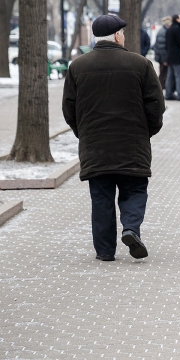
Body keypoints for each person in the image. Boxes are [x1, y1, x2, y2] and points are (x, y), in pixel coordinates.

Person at [61, 15, 165, 261]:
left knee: (101, 198)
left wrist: (83, 133)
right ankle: (130, 228)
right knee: (135, 190)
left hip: (95, 146)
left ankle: (105, 251)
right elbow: (156, 105)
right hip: (133, 144)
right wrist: (147, 131)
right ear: (118, 35)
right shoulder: (140, 64)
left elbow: (69, 108)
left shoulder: (77, 66)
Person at [165, 14, 180, 100]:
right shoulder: (177, 29)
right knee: (178, 76)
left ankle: (168, 94)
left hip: (170, 55)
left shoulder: (169, 29)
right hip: (177, 55)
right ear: (177, 19)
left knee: (170, 76)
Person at [153, 16, 171, 89]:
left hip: (162, 57)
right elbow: (161, 47)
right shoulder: (164, 32)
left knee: (163, 73)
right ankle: (160, 88)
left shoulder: (163, 31)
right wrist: (165, 60)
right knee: (163, 74)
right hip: (163, 57)